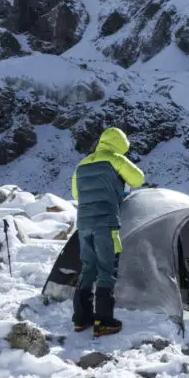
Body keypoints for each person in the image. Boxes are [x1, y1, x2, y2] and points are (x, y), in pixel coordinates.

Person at [71, 127, 145, 337]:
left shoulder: (82, 163)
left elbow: (76, 193)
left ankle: (81, 318)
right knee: (106, 270)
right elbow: (138, 179)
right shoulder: (115, 159)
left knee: (88, 268)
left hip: (84, 224)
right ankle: (104, 321)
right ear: (120, 146)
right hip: (106, 224)